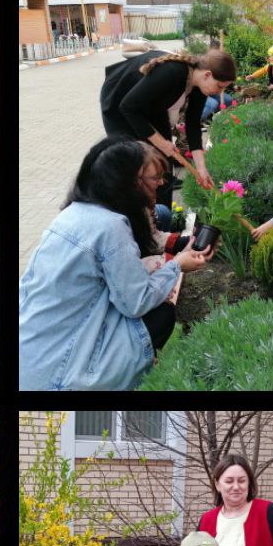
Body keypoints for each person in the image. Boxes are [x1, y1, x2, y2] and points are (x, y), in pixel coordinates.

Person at [18, 137, 218, 390]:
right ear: (131, 184)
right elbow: (135, 302)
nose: (162, 184)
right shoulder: (110, 227)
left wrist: (181, 247)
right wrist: (177, 266)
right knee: (161, 315)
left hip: (30, 357)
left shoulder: (73, 212)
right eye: (155, 178)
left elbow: (143, 249)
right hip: (63, 375)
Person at [99, 49, 237, 206]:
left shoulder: (200, 86)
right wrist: (161, 143)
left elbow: (193, 125)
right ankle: (138, 215)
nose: (219, 92)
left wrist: (201, 168)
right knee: (135, 161)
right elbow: (128, 107)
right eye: (219, 86)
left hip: (151, 105)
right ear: (207, 74)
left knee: (164, 163)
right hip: (119, 105)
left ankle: (162, 217)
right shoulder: (172, 73)